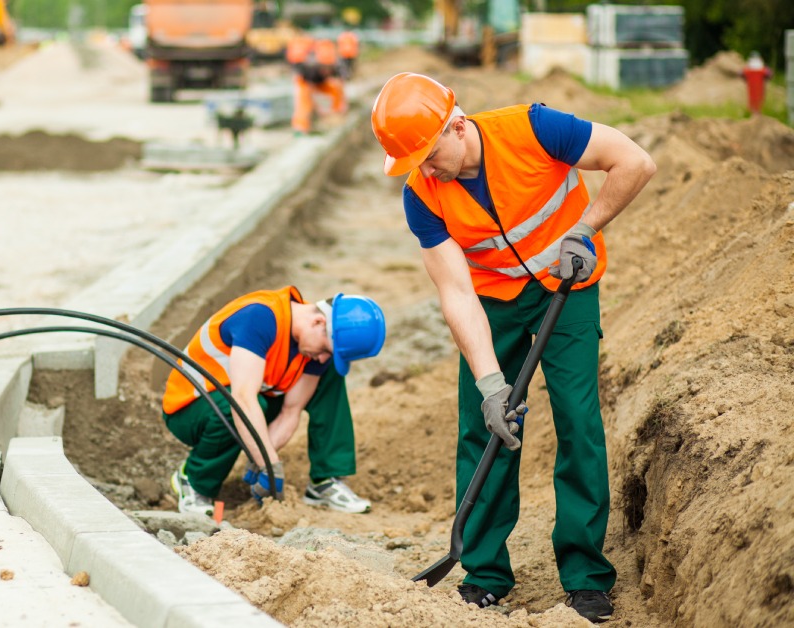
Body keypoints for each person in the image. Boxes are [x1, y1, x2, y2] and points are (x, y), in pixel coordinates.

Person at [370, 73, 655, 623]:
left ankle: (586, 576)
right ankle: (485, 574)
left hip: (566, 283)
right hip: (493, 298)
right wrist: (491, 386)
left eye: (429, 156)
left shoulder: (535, 129)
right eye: (415, 165)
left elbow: (636, 162)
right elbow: (455, 292)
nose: (426, 171)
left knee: (577, 416)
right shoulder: (421, 197)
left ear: (457, 126)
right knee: (485, 426)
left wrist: (586, 229)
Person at [162, 286, 386, 517]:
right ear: (318, 322)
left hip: (249, 403)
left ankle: (325, 481)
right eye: (324, 350)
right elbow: (243, 399)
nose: (322, 358)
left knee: (330, 376)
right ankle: (194, 481)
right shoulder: (260, 318)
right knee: (236, 406)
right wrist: (270, 464)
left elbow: (291, 411)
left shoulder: (314, 343)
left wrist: (260, 458)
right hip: (191, 408)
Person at [286, 36, 346, 136]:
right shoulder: (309, 68)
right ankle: (301, 127)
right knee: (304, 102)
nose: (326, 71)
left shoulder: (337, 67)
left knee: (336, 88)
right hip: (305, 83)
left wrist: (339, 106)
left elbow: (341, 84)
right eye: (324, 68)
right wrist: (317, 106)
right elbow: (309, 88)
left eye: (328, 68)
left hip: (322, 83)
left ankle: (336, 117)